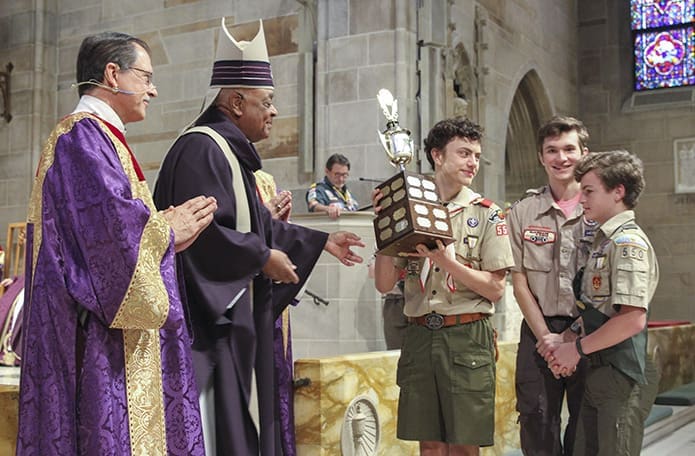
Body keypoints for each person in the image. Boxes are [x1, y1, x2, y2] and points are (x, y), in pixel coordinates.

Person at [153, 19, 364, 456]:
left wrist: (321, 241)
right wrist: (263, 257)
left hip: (236, 322)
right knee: (222, 432)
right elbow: (201, 235)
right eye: (265, 103)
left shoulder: (229, 154)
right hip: (212, 330)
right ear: (234, 101)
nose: (273, 113)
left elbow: (250, 225)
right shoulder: (201, 148)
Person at [16, 32, 216, 455]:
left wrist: (163, 235)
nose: (153, 89)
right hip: (97, 346)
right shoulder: (82, 138)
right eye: (145, 76)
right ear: (112, 74)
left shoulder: (100, 139)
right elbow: (110, 244)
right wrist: (166, 229)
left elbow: (112, 233)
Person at [372, 117, 515, 455]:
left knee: (463, 446)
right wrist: (383, 226)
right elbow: (383, 283)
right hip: (420, 334)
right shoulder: (413, 208)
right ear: (437, 155)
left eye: (477, 155)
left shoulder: (486, 214)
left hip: (466, 335)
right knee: (430, 445)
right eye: (464, 153)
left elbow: (495, 289)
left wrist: (447, 263)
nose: (472, 163)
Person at [548, 150, 660, 455]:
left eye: (589, 191)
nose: (582, 199)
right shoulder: (605, 241)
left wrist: (576, 350)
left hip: (621, 372)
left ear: (618, 191)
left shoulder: (627, 244)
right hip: (599, 368)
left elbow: (631, 318)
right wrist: (567, 337)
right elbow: (599, 309)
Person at [507, 116, 593, 455]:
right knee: (536, 422)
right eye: (552, 150)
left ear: (584, 153)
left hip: (589, 332)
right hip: (538, 332)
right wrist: (546, 338)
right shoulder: (523, 211)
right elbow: (519, 281)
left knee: (586, 429)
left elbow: (606, 286)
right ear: (541, 157)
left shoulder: (598, 208)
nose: (561, 158)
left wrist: (571, 337)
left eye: (569, 149)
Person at [255, 169, 297, 456]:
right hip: (240, 302)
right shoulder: (210, 155)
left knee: (275, 390)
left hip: (270, 299)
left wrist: (280, 226)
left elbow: (272, 235)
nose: (272, 119)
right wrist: (261, 217)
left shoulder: (266, 178)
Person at [306, 153, 359, 219]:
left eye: (344, 175)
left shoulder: (346, 192)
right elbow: (313, 205)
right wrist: (328, 209)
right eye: (337, 175)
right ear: (327, 171)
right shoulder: (318, 189)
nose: (341, 179)